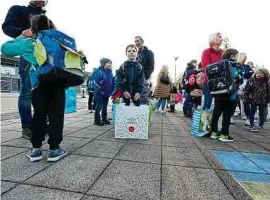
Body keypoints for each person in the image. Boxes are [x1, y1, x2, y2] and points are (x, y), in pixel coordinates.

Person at [1, 14, 73, 162]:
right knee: (56, 116)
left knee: (39, 115)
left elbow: (5, 49)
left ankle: (36, 150)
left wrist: (22, 36)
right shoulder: (59, 42)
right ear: (52, 28)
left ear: (33, 29)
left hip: (39, 85)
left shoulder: (30, 42)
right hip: (58, 83)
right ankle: (55, 149)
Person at [2, 0, 48, 139]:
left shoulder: (46, 18)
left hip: (45, 60)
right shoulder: (18, 9)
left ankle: (41, 123)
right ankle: (27, 127)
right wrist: (21, 33)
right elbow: (7, 26)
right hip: (28, 58)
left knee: (45, 92)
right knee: (26, 92)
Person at [210, 49, 242, 142]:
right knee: (227, 115)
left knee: (216, 113)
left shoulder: (218, 64)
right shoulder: (236, 65)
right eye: (236, 55)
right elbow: (239, 78)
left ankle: (214, 132)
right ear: (232, 56)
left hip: (218, 93)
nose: (237, 57)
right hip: (230, 94)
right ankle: (224, 134)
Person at [201, 32, 224, 110]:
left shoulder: (223, 52)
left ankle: (213, 122)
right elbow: (205, 67)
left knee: (219, 106)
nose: (222, 39)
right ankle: (203, 122)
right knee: (207, 104)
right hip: (209, 82)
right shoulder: (206, 52)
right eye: (219, 37)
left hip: (221, 83)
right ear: (213, 39)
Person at [93, 58, 114, 126]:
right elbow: (96, 82)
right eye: (108, 63)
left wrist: (112, 91)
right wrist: (100, 91)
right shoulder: (99, 71)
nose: (109, 64)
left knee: (105, 107)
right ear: (103, 63)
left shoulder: (110, 72)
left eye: (110, 63)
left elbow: (112, 82)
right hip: (99, 93)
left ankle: (104, 119)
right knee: (99, 107)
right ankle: (97, 120)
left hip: (106, 93)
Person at [134, 36, 155, 104]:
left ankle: (143, 113)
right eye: (135, 41)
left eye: (138, 41)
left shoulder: (148, 52)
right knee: (135, 97)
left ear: (142, 42)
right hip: (135, 78)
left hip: (143, 77)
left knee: (143, 96)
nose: (136, 42)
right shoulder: (134, 52)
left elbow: (151, 66)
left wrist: (145, 76)